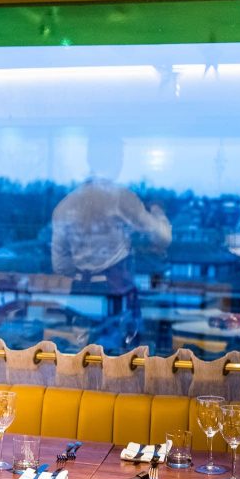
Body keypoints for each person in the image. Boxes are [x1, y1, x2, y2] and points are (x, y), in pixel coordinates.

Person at [51, 133, 171, 347]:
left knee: (81, 365)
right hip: (116, 296)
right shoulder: (120, 198)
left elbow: (60, 265)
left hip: (82, 297)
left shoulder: (65, 205)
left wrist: (86, 271)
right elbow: (162, 237)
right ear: (117, 160)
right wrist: (159, 213)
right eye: (120, 155)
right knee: (123, 366)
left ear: (90, 159)